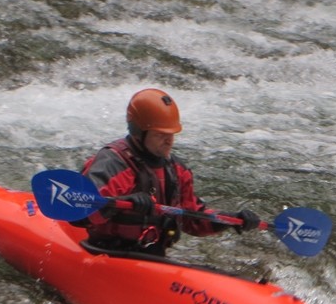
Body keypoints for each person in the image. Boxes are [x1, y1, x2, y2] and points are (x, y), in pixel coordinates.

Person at [79, 88, 260, 256]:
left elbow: (193, 218)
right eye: (160, 135)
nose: (169, 141)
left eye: (171, 134)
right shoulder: (113, 164)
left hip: (153, 256)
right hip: (106, 252)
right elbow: (82, 213)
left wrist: (230, 219)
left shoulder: (177, 170)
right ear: (137, 133)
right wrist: (123, 202)